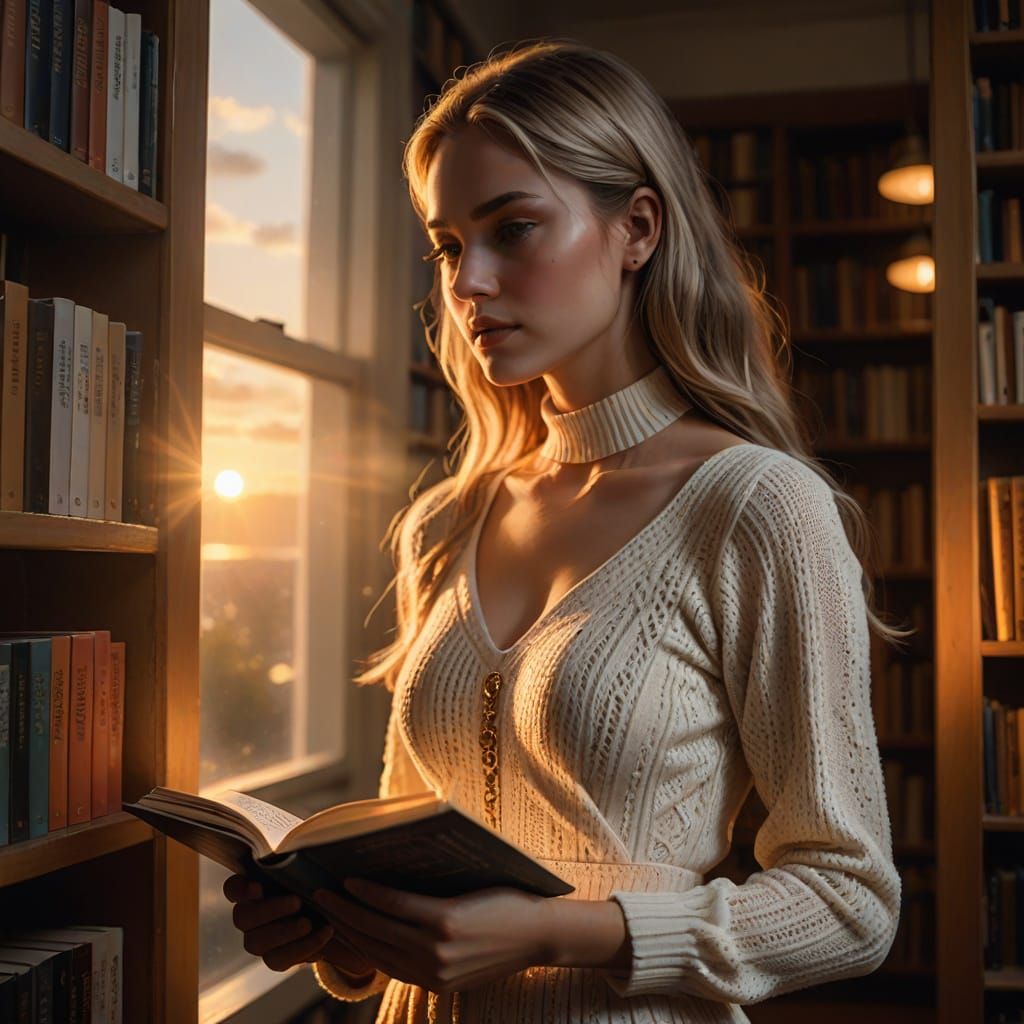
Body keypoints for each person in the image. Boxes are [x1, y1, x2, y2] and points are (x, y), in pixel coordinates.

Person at [222, 38, 910, 1023]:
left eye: (513, 228)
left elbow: (852, 903)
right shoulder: (446, 521)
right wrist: (334, 936)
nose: (467, 286)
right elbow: (401, 843)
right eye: (450, 245)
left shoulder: (757, 508)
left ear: (635, 229)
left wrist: (558, 931)